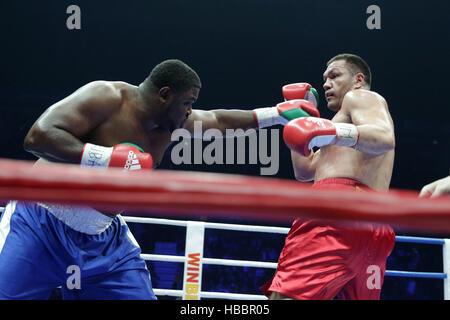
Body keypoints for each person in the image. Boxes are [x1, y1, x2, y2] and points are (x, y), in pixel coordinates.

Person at [0, 59, 318, 299]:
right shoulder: (107, 97)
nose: (190, 112)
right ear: (164, 95)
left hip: (102, 240)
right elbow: (38, 136)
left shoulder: (171, 124)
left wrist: (276, 114)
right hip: (41, 222)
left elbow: (218, 120)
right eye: (187, 103)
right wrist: (105, 158)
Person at [261, 53, 396, 300]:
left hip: (335, 214)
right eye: (324, 78)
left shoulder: (361, 97)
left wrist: (329, 129)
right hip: (373, 223)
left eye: (334, 75)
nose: (325, 83)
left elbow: (385, 137)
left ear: (358, 79)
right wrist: (300, 119)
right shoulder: (340, 127)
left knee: (287, 297)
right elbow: (305, 172)